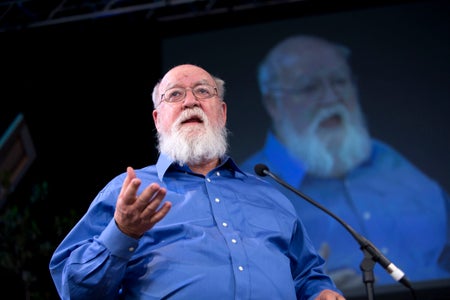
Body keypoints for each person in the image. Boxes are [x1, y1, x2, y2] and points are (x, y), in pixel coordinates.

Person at [49, 64, 345, 300]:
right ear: (157, 118)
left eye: (203, 91)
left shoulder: (269, 194)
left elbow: (308, 276)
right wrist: (122, 232)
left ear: (222, 112)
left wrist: (321, 292)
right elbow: (74, 290)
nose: (190, 101)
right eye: (175, 95)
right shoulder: (128, 192)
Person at [239, 35, 450, 290]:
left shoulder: (393, 161)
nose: (331, 98)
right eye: (309, 87)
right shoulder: (246, 189)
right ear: (273, 103)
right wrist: (301, 291)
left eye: (339, 82)